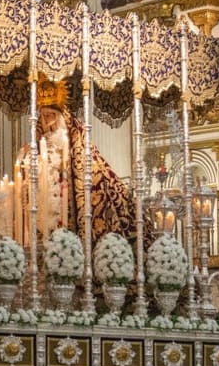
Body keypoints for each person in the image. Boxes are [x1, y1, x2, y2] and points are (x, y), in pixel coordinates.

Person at [18, 79, 135, 246]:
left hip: (67, 191)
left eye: (51, 115)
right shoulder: (39, 140)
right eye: (43, 116)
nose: (47, 120)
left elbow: (75, 161)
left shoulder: (72, 136)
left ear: (59, 116)